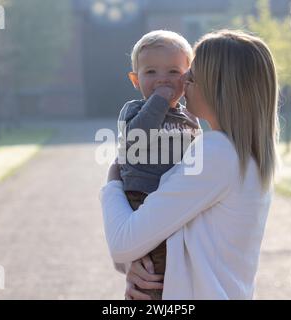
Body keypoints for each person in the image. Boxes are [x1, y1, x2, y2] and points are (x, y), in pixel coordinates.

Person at [101, 29, 279, 299]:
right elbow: (148, 241)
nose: (181, 81)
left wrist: (113, 180)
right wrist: (136, 267)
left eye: (192, 75)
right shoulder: (242, 154)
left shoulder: (217, 153)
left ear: (220, 88)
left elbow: (123, 243)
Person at [116, 30, 201, 299]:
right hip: (143, 198)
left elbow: (197, 154)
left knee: (180, 267)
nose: (162, 78)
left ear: (188, 77)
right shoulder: (134, 110)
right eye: (151, 72)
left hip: (176, 202)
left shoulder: (191, 117)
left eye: (173, 71)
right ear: (135, 79)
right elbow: (136, 138)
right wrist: (160, 100)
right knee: (154, 272)